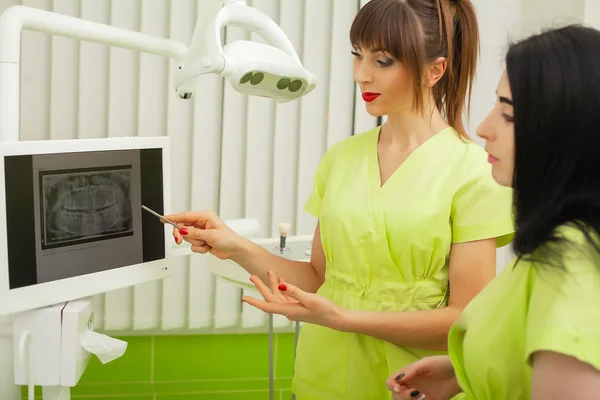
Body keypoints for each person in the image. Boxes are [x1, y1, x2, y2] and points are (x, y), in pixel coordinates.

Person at [164, 0, 514, 399]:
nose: (361, 74)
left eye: (382, 61)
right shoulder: (342, 158)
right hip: (323, 377)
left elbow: (464, 321)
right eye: (357, 55)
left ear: (435, 70)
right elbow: (317, 280)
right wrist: (234, 246)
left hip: (410, 384)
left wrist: (343, 318)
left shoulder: (474, 171)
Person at [386, 24, 600, 400]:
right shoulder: (555, 246)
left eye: (509, 114)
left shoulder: (570, 262)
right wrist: (464, 372)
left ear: (568, 129)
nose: (484, 128)